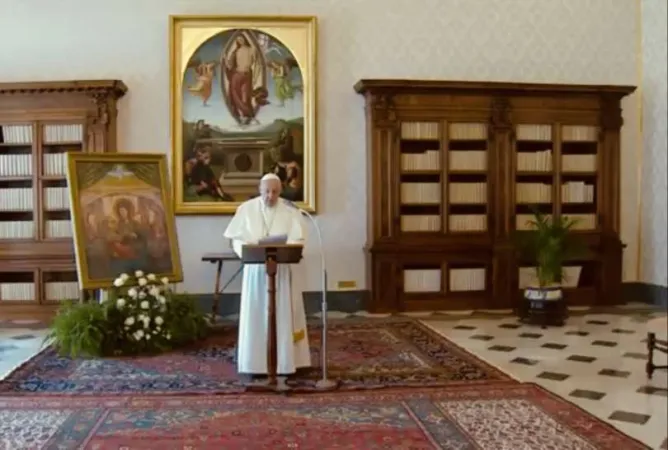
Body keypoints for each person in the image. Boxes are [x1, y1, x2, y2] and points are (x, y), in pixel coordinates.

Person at [223, 173, 311, 379]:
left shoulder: (290, 210)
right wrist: (246, 251)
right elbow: (236, 239)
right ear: (259, 190)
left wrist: (285, 249)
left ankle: (287, 363)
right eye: (266, 192)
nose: (270, 196)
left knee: (284, 313)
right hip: (255, 271)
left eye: (275, 192)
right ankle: (254, 364)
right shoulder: (246, 209)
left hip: (282, 270)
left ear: (281, 192)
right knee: (256, 313)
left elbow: (299, 239)